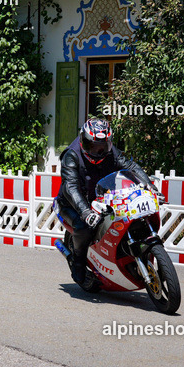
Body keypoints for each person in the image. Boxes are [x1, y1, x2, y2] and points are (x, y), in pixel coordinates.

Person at [56, 117, 156, 291]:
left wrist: (149, 185)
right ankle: (78, 269)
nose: (98, 151)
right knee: (84, 227)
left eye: (102, 147)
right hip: (72, 204)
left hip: (100, 199)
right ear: (82, 140)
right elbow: (70, 187)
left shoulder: (109, 152)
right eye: (92, 146)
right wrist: (85, 212)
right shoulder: (71, 156)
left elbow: (130, 166)